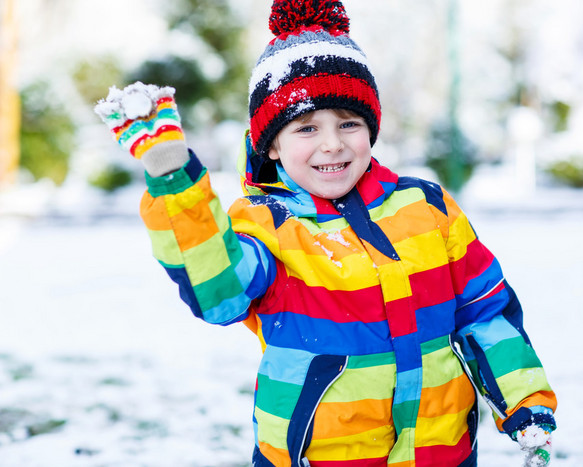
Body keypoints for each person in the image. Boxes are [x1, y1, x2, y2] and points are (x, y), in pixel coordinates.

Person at [95, 1, 557, 465]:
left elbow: (484, 312)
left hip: (439, 450)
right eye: (307, 127)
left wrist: (525, 402)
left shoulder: (427, 208)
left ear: (370, 131)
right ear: (271, 143)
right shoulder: (268, 223)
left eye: (349, 123)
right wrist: (178, 187)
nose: (332, 143)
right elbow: (219, 293)